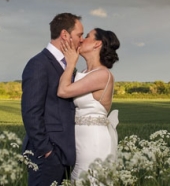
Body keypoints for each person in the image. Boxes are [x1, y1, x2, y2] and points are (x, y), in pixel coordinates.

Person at [21, 13, 84, 186]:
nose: (82, 40)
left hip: (66, 153)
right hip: (47, 156)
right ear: (65, 35)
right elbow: (31, 112)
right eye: (79, 35)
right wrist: (46, 151)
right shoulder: (38, 64)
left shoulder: (68, 64)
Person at [57, 28, 120, 181]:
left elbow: (63, 91)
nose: (82, 40)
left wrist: (71, 63)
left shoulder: (102, 74)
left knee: (89, 179)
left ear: (97, 44)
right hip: (80, 137)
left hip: (94, 140)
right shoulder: (85, 72)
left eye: (87, 36)